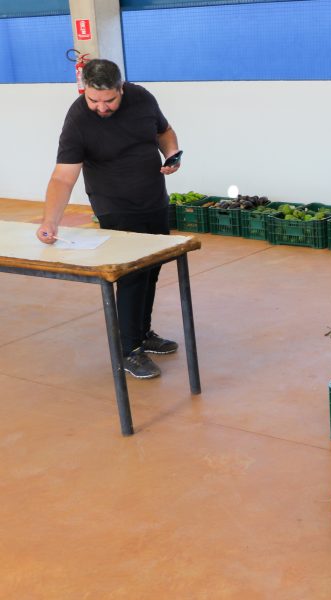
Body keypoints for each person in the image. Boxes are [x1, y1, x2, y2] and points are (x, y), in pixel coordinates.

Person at [36, 59, 182, 379]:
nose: (101, 107)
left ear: (121, 88)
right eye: (93, 100)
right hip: (114, 203)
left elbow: (164, 131)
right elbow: (63, 178)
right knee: (131, 274)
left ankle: (143, 334)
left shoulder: (142, 98)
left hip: (153, 198)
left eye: (109, 100)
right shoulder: (77, 120)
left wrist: (172, 154)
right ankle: (128, 350)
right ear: (84, 91)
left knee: (151, 268)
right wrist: (51, 220)